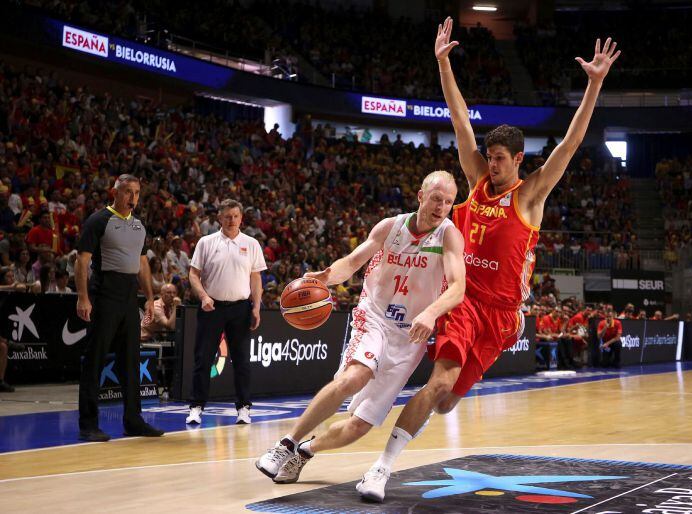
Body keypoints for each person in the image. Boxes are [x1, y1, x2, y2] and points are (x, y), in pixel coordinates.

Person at [356, 18, 621, 502]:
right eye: (490, 155)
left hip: (500, 316)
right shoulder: (476, 178)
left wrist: (595, 85)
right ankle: (380, 469)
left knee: (448, 403)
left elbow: (570, 145)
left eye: (500, 157)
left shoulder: (531, 195)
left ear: (518, 161)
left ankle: (411, 421)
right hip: (462, 299)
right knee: (439, 385)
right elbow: (459, 120)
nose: (490, 162)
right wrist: (443, 65)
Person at [255, 171, 465, 485]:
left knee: (359, 425)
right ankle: (285, 444)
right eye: (437, 199)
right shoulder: (391, 227)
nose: (442, 207)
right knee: (356, 376)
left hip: (410, 336)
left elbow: (458, 287)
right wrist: (326, 276)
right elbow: (353, 262)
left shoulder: (449, 235)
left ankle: (306, 450)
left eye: (448, 202)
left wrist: (432, 313)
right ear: (421, 196)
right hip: (376, 317)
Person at [75, 174, 164, 442]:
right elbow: (82, 261)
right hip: (104, 293)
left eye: (136, 192)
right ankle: (88, 424)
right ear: (115, 192)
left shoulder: (139, 225)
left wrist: (149, 297)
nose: (132, 197)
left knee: (131, 360)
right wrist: (83, 297)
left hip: (129, 296)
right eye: (127, 191)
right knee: (94, 360)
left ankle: (133, 421)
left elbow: (143, 264)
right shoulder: (99, 220)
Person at [185, 199, 266, 426]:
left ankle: (243, 408)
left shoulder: (251, 244)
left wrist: (256, 307)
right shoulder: (206, 242)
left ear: (241, 218)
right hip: (212, 308)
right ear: (219, 218)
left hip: (241, 308)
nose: (232, 220)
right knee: (203, 359)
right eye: (227, 216)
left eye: (236, 216)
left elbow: (256, 277)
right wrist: (203, 296)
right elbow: (193, 274)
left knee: (242, 361)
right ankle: (196, 407)